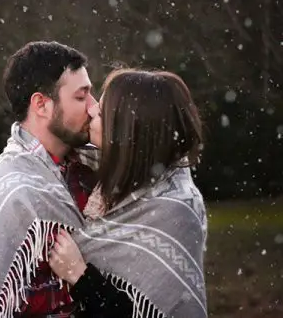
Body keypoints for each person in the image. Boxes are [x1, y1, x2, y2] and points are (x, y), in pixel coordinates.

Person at [0, 41, 99, 318]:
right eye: (81, 97)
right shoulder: (11, 193)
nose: (93, 107)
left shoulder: (91, 169)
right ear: (41, 104)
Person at [48, 68, 208, 318]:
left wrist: (80, 276)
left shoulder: (174, 210)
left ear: (126, 132)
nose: (91, 111)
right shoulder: (118, 172)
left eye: (101, 113)